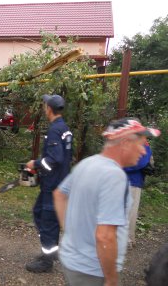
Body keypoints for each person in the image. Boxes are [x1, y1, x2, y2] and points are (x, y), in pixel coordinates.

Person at [54, 118, 160, 286]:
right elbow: (105, 236)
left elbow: (59, 194)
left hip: (71, 262)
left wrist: (70, 233)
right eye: (141, 144)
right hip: (94, 271)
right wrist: (111, 279)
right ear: (125, 143)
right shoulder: (114, 176)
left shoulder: (87, 163)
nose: (143, 151)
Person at [25, 94, 73, 273]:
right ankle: (50, 251)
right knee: (39, 213)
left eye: (45, 106)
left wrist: (35, 164)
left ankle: (47, 261)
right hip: (59, 181)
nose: (44, 108)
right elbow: (65, 157)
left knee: (48, 221)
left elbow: (55, 159)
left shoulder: (54, 130)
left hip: (53, 185)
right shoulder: (65, 128)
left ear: (49, 109)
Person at [124, 141, 153, 246]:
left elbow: (141, 162)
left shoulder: (144, 144)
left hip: (134, 182)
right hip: (119, 180)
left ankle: (128, 240)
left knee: (130, 211)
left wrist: (121, 166)